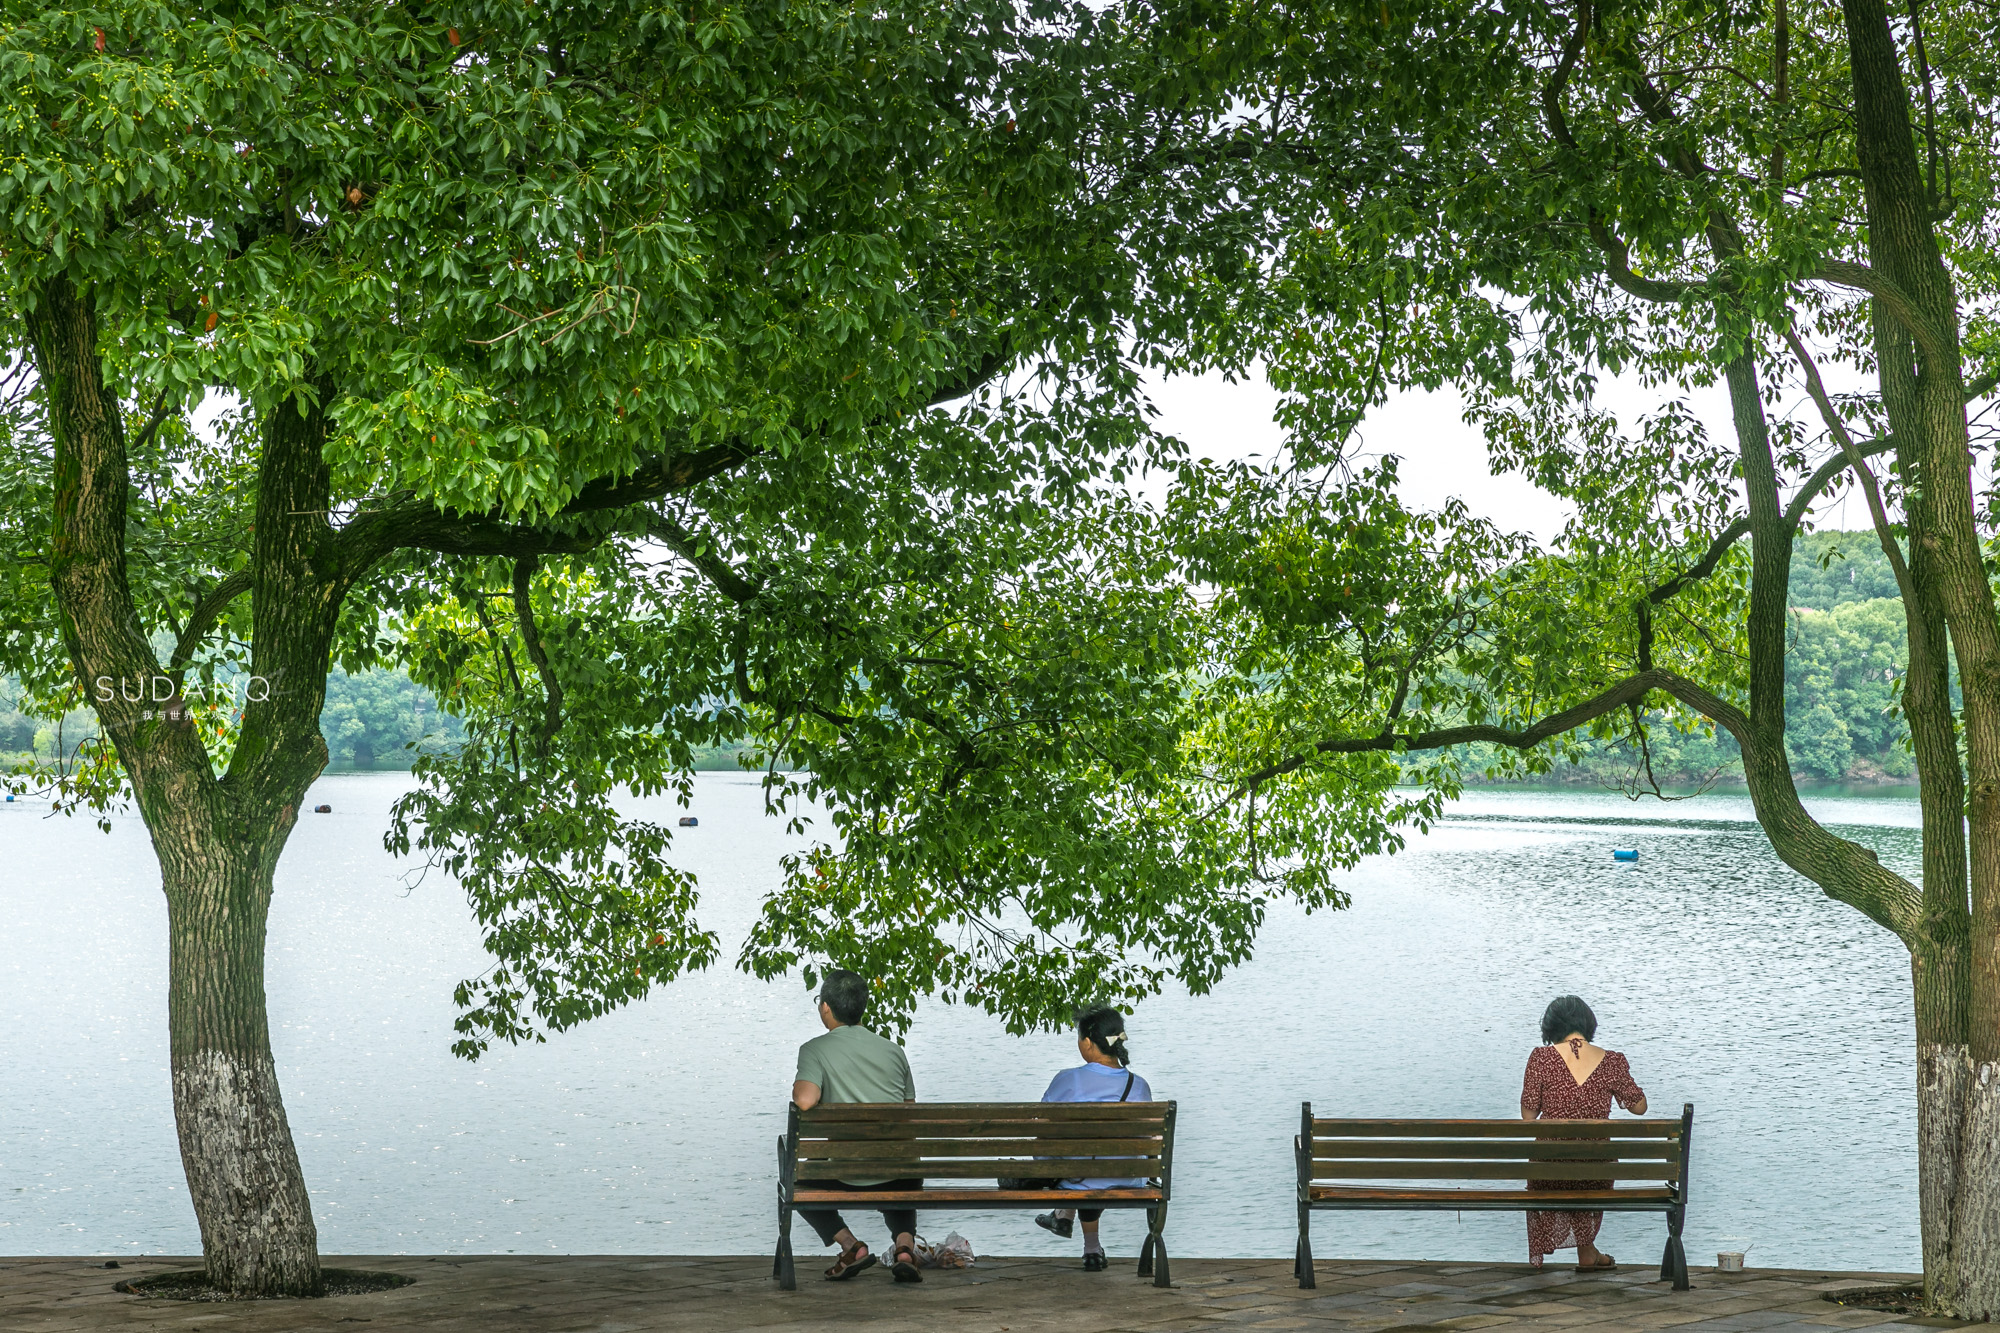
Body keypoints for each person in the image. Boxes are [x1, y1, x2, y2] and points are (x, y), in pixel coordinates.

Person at [791, 969, 923, 1284]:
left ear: (825, 1007)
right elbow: (908, 1112)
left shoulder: (814, 1050)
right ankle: (904, 1249)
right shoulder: (893, 1050)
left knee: (795, 1181)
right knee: (901, 1165)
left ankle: (851, 1246)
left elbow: (805, 1100)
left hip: (845, 1172)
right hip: (898, 1172)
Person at [1520, 995, 1648, 1272]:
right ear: (1589, 1024)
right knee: (1586, 1167)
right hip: (1595, 1168)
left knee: (1561, 1163)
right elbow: (1639, 1108)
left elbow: (1528, 1116)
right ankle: (1587, 1252)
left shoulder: (1541, 1058)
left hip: (1549, 1169)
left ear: (1551, 1028)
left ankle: (1587, 1252)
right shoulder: (1612, 1061)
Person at [1033, 1004, 1154, 1271]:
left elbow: (1040, 1127)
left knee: (1079, 1168)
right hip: (1127, 1177)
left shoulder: (1069, 1080)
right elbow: (1148, 1137)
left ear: (1088, 1043)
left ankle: (1064, 1215)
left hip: (1077, 1177)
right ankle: (1088, 1245)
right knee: (1093, 1165)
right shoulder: (1139, 1085)